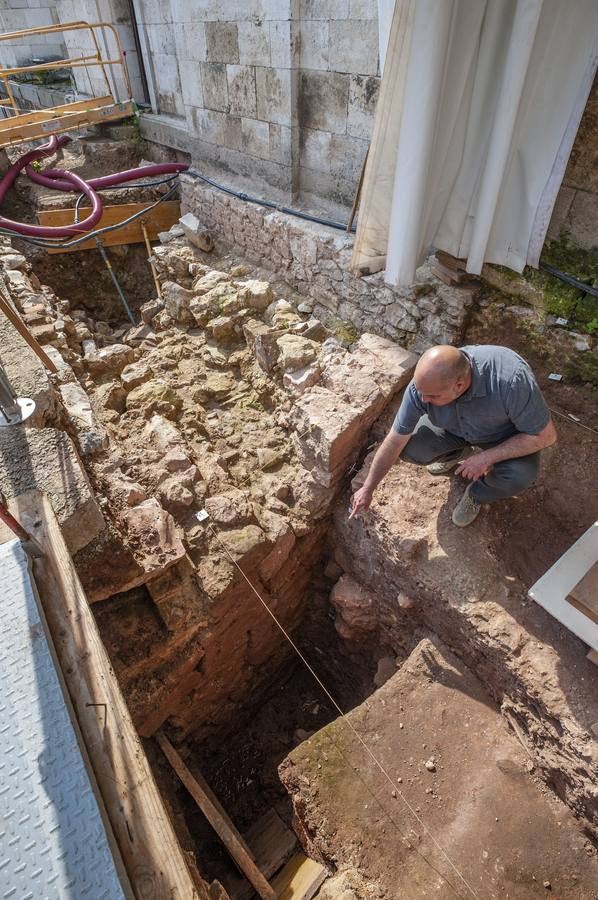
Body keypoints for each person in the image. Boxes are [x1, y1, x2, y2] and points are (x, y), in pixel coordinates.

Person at [350, 344, 557, 527]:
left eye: (432, 396)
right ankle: (456, 453)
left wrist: (487, 458)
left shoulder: (511, 381)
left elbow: (546, 436)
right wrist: (368, 488)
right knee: (412, 448)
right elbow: (395, 440)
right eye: (421, 392)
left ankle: (477, 494)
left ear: (458, 385)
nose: (423, 399)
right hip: (455, 429)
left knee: (518, 477)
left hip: (502, 437)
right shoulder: (424, 386)